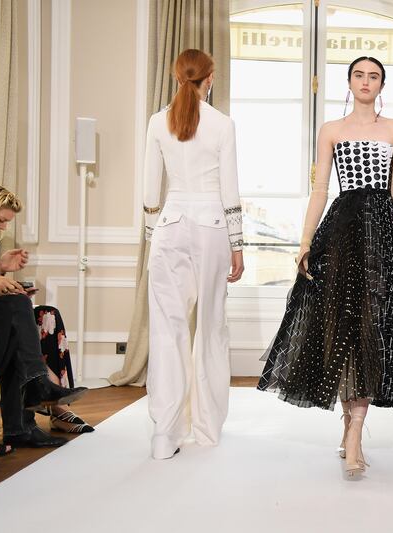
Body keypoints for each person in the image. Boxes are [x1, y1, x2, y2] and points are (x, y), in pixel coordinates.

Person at [257, 56, 393, 478]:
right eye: (359, 75)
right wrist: (305, 242)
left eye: (374, 76)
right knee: (345, 326)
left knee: (374, 328)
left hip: (383, 236)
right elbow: (320, 189)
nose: (366, 81)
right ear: (348, 82)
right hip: (342, 234)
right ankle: (353, 431)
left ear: (382, 84)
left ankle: (354, 429)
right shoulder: (332, 131)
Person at [143, 49, 244, 460]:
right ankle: (207, 429)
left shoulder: (156, 122)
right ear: (211, 78)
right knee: (211, 328)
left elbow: (151, 191)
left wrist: (154, 239)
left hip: (168, 227)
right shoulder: (222, 124)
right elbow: (230, 189)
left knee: (167, 331)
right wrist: (238, 245)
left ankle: (164, 435)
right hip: (211, 228)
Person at [0, 186, 88, 449]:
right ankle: (37, 391)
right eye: (1, 220)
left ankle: (47, 399)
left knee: (47, 316)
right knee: (16, 311)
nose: (2, 227)